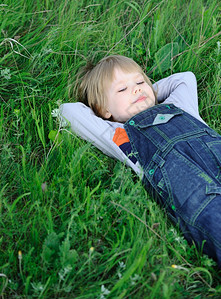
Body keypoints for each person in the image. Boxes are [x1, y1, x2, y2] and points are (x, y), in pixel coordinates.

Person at [60, 55, 221, 267]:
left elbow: (184, 78)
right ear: (103, 110)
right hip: (191, 189)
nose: (136, 89)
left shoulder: (179, 105)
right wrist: (103, 110)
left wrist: (149, 94)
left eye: (139, 82)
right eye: (122, 90)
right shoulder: (119, 135)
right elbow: (69, 112)